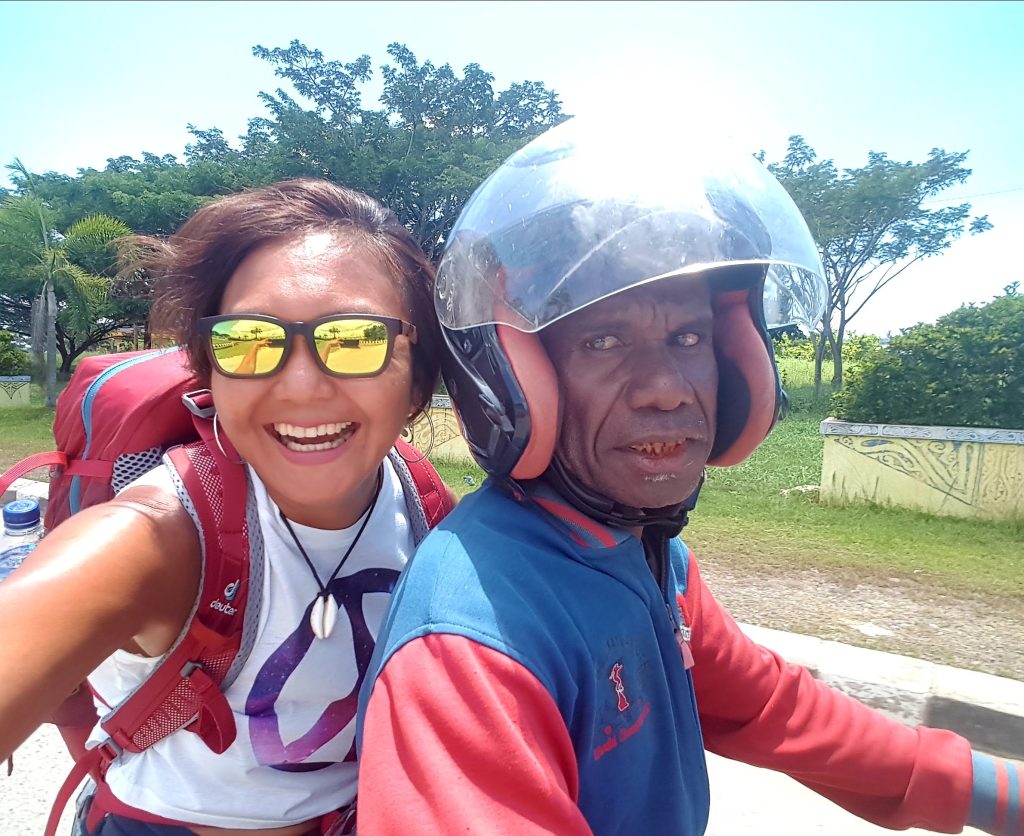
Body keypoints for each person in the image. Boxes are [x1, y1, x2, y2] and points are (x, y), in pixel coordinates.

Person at [356, 118, 1021, 834]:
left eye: (690, 338)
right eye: (604, 340)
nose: (666, 388)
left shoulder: (644, 551)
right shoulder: (471, 643)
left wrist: (995, 791)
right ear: (520, 381)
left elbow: (768, 706)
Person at [0, 178, 450, 835]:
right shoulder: (155, 539)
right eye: (249, 342)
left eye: (355, 340)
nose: (300, 388)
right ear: (209, 374)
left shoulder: (422, 498)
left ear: (418, 379)